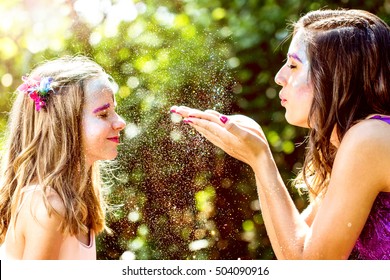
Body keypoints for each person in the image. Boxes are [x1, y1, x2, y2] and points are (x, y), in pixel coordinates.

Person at [171, 9, 390, 259]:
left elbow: (310, 269)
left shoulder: (369, 138)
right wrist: (257, 151)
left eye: (293, 65)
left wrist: (260, 159)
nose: (279, 77)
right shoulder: (360, 141)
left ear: (334, 76)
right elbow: (291, 254)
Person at [0, 56, 126, 259]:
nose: (120, 122)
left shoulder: (75, 201)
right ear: (64, 126)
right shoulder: (47, 207)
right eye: (103, 114)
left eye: (114, 110)